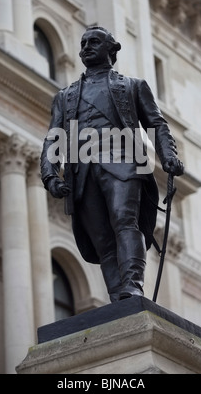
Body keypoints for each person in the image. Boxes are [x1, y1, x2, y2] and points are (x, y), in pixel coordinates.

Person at [40, 26, 184, 303]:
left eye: (94, 42)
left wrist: (168, 157)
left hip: (125, 161)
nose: (86, 47)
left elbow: (156, 124)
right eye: (83, 43)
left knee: (124, 220)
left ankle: (133, 285)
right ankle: (119, 297)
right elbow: (53, 136)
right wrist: (49, 174)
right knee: (103, 239)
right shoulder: (65, 96)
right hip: (82, 171)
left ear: (112, 49)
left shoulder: (132, 86)